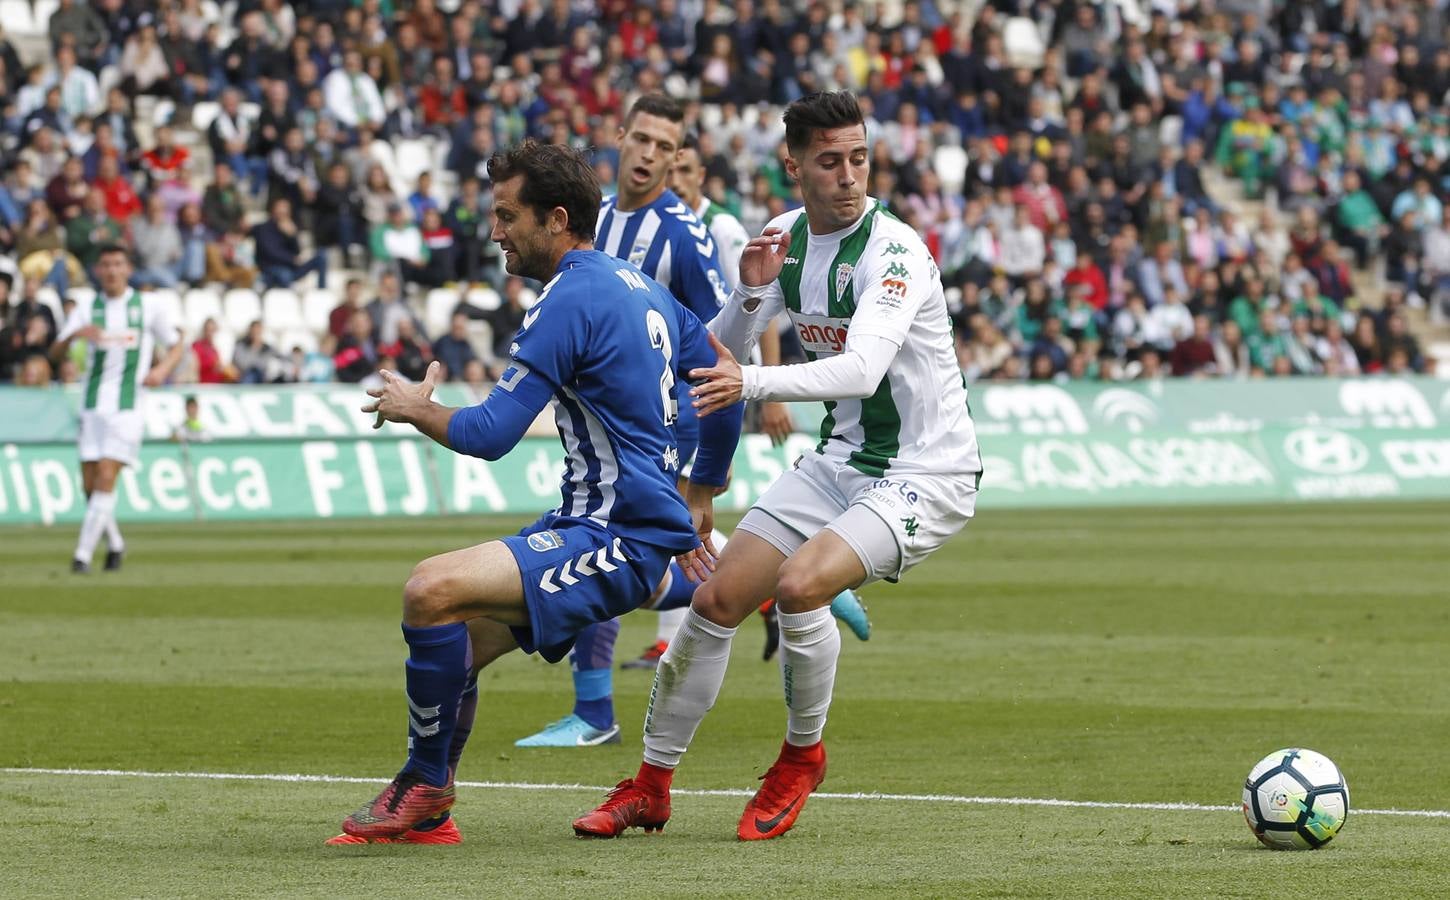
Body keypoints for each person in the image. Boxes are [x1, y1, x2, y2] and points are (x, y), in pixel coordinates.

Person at [575, 91, 983, 841]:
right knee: (715, 602)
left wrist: (754, 383)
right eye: (830, 161)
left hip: (929, 471)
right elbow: (717, 346)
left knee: (800, 587)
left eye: (859, 158)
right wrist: (752, 293)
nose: (849, 176)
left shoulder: (894, 251)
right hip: (842, 460)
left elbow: (860, 371)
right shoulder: (783, 236)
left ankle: (802, 757)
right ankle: (650, 784)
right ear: (794, 164)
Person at [331, 140, 742, 845]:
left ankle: (426, 790)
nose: (494, 231)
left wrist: (414, 407)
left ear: (556, 219)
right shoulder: (639, 285)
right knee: (453, 636)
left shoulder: (567, 299)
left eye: (506, 215)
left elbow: (492, 433)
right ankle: (427, 800)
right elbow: (726, 375)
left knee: (429, 589)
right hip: (603, 522)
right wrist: (702, 491)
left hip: (617, 535)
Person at [49, 245, 187, 573]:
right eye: (106, 265)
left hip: (128, 406)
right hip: (91, 405)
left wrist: (162, 370)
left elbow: (178, 341)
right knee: (89, 485)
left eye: (118, 264)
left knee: (107, 474)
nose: (112, 271)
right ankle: (115, 543)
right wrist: (74, 337)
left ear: (128, 269)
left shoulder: (148, 305)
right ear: (97, 271)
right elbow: (55, 353)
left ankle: (81, 556)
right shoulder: (86, 307)